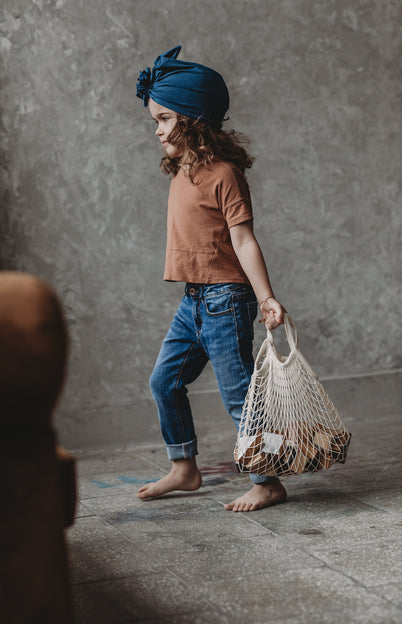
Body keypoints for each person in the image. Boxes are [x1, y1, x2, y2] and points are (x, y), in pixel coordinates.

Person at [135, 46, 287, 512]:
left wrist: (267, 298)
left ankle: (268, 481)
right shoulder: (181, 169)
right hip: (194, 300)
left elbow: (244, 242)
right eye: (154, 122)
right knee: (164, 382)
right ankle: (185, 468)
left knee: (240, 395)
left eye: (164, 119)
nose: (158, 130)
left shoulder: (224, 175)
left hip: (226, 300)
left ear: (193, 118)